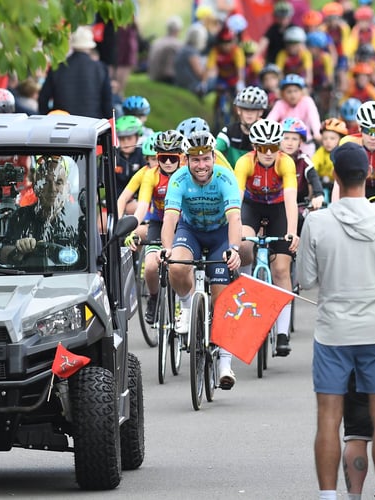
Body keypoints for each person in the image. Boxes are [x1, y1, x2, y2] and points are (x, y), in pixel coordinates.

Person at [298, 142, 375, 500]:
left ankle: (329, 496)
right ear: (368, 175)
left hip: (333, 331)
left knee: (329, 420)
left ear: (335, 175)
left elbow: (305, 278)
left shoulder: (316, 222)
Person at [160, 130, 242, 389]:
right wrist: (166, 248)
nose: (201, 165)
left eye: (206, 159)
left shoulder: (225, 177)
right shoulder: (179, 179)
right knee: (176, 264)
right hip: (191, 231)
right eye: (195, 160)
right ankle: (186, 307)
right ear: (186, 160)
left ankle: (225, 365)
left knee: (222, 299)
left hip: (219, 235)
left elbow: (235, 219)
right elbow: (170, 218)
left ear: (213, 158)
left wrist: (234, 249)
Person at [234, 119, 299, 356]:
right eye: (263, 148)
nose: (269, 153)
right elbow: (236, 199)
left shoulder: (286, 162)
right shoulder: (244, 162)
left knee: (282, 268)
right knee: (242, 244)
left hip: (278, 210)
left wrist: (292, 231)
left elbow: (291, 199)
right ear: (255, 147)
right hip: (251, 207)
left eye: (273, 147)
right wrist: (234, 231)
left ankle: (282, 333)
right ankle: (245, 286)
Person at [128, 130, 186, 323]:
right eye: (162, 158)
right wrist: (132, 228)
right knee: (151, 267)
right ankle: (153, 299)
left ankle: (183, 304)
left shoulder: (188, 174)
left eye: (172, 158)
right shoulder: (151, 176)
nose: (167, 162)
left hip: (184, 223)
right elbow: (142, 206)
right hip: (159, 222)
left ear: (181, 158)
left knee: (182, 264)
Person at [1, 155, 83, 265]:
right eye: (46, 182)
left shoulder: (80, 219)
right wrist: (18, 250)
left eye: (58, 182)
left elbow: (95, 268)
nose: (52, 189)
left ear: (67, 188)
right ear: (35, 188)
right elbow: (3, 256)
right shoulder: (20, 217)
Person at [38, 26, 113, 118]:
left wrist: (50, 118)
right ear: (90, 46)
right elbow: (107, 103)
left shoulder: (58, 68)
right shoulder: (100, 68)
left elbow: (43, 99)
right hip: (92, 124)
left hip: (63, 124)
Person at [266, 74, 322, 157]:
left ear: (302, 92)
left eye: (296, 91)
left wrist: (317, 133)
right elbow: (270, 120)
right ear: (282, 93)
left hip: (305, 143)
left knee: (307, 164)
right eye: (289, 91)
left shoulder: (307, 101)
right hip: (285, 144)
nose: (293, 95)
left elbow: (314, 118)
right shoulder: (280, 104)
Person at [216, 86, 268, 167]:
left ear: (260, 112)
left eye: (254, 109)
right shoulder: (229, 131)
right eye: (246, 108)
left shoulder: (267, 133)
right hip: (233, 176)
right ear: (239, 110)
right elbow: (215, 151)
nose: (249, 113)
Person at [147, 15, 184, 84]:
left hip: (152, 75)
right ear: (178, 30)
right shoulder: (177, 44)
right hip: (164, 78)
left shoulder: (157, 42)